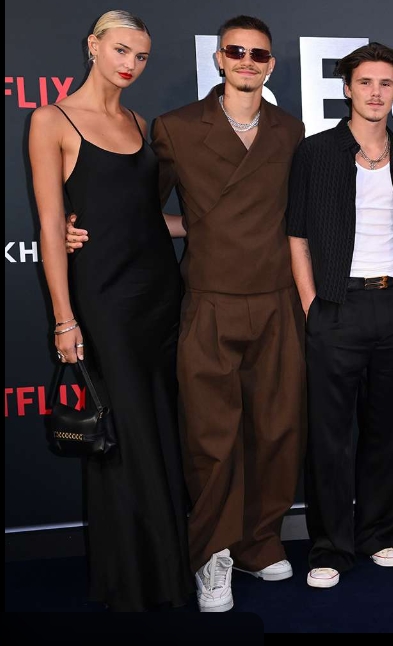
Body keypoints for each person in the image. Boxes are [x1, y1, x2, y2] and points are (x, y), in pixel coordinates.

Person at [69, 15, 307, 611]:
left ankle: (259, 542)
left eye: (258, 54)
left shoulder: (290, 129)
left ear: (271, 65)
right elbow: (139, 208)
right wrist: (77, 227)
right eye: (236, 52)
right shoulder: (174, 128)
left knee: (276, 431)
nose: (247, 62)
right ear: (219, 59)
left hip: (276, 298)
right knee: (211, 437)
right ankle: (213, 552)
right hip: (208, 299)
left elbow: (306, 212)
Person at [29, 10, 192, 611]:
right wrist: (64, 318)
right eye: (121, 50)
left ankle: (168, 569)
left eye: (141, 56)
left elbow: (146, 218)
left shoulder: (139, 123)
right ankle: (132, 582)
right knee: (123, 434)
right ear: (93, 46)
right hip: (105, 299)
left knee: (161, 425)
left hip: (161, 293)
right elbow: (52, 226)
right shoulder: (52, 119)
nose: (131, 64)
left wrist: (217, 222)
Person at [286, 43, 393, 590]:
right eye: (365, 82)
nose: (375, 92)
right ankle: (329, 546)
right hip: (336, 307)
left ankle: (380, 534)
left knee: (388, 431)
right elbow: (297, 236)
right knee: (329, 436)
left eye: (385, 83)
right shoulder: (316, 152)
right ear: (347, 88)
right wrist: (312, 306)